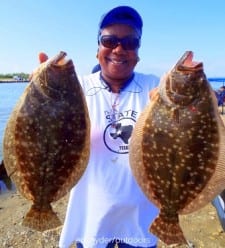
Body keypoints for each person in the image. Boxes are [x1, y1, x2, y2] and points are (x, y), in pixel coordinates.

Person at [40, 6, 159, 248]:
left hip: (140, 219)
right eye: (110, 40)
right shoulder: (76, 87)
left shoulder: (154, 87)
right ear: (98, 50)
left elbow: (190, 113)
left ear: (138, 52)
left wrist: (198, 99)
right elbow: (43, 129)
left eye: (130, 42)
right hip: (90, 218)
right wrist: (41, 86)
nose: (119, 48)